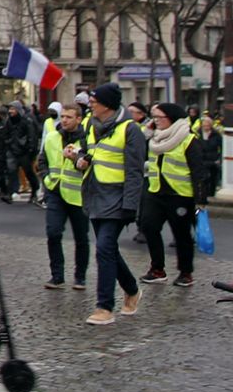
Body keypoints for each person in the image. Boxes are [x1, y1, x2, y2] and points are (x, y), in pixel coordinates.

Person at [81, 83, 144, 326]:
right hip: (95, 195)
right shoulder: (90, 124)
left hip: (117, 199)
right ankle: (132, 290)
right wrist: (80, 159)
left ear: (107, 105)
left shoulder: (130, 130)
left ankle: (104, 307)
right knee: (108, 250)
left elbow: (135, 171)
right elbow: (90, 153)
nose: (90, 104)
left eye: (94, 100)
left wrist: (130, 205)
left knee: (104, 248)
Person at [140, 100, 197, 286]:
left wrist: (201, 199)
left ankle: (185, 272)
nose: (155, 120)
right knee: (148, 226)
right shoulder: (154, 138)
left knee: (181, 235)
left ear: (171, 118)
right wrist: (146, 131)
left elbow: (199, 170)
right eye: (153, 117)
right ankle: (157, 269)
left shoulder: (188, 139)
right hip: (155, 190)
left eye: (159, 117)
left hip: (179, 194)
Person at [40, 100, 91, 292]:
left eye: (69, 117)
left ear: (79, 119)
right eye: (62, 116)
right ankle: (57, 276)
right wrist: (46, 179)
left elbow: (90, 163)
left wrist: (76, 158)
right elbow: (42, 160)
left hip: (78, 194)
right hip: (55, 190)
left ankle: (80, 277)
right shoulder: (52, 137)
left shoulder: (86, 139)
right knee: (53, 233)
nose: (64, 120)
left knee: (81, 238)